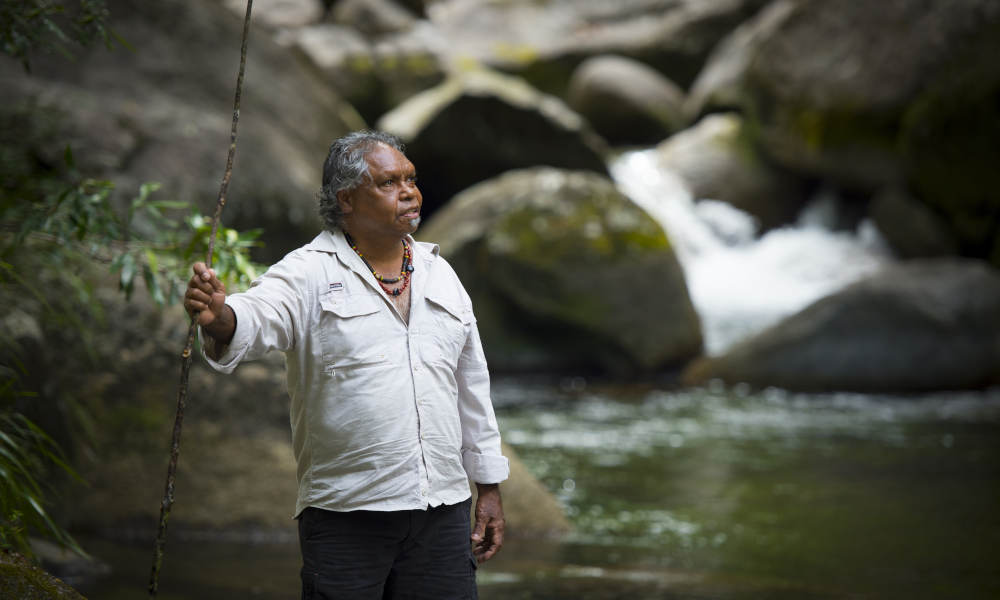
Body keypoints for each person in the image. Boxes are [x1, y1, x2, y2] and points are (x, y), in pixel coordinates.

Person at [183, 130, 509, 599]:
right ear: (347, 199)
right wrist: (219, 317)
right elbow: (257, 316)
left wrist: (490, 487)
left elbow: (471, 386)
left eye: (411, 179)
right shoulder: (308, 271)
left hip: (443, 510)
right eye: (388, 183)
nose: (409, 192)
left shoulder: (441, 273)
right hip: (346, 515)